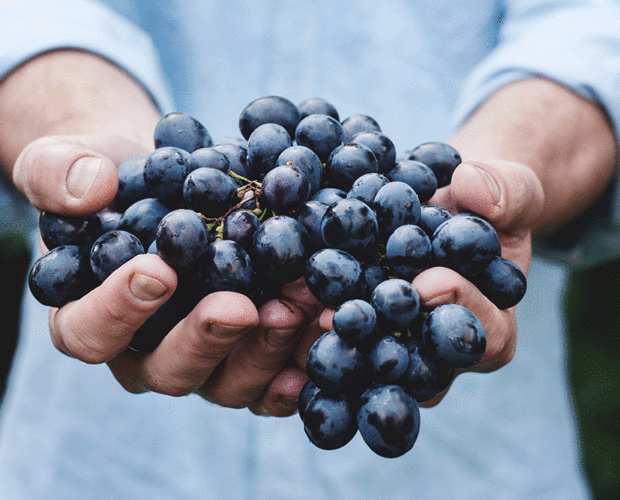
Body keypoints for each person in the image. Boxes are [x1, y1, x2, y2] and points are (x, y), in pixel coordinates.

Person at [0, 0, 618, 498]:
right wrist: (82, 141)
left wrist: (513, 163)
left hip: (474, 471)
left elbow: (592, 24)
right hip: (102, 466)